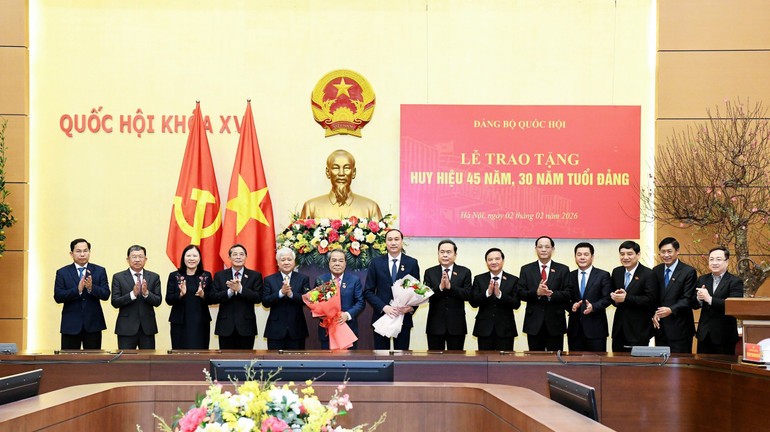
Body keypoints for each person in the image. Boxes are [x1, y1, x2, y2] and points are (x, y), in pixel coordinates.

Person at [364, 229, 420, 350]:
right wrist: (384, 307)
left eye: (396, 239)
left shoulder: (412, 263)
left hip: (403, 318)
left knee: (402, 357)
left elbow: (418, 292)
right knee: (381, 358)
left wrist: (410, 308)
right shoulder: (376, 263)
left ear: (402, 242)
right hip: (382, 317)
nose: (393, 243)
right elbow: (368, 291)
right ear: (385, 243)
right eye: (390, 240)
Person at [53, 238, 111, 350]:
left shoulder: (99, 270)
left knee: (93, 363)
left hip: (93, 324)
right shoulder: (62, 272)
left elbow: (106, 294)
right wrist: (77, 290)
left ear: (89, 252)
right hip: (70, 325)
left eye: (85, 251)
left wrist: (91, 288)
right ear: (71, 253)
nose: (82, 254)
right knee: (69, 362)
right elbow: (58, 296)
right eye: (78, 251)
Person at [517, 236, 572, 351]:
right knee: (535, 360)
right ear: (535, 249)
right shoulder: (526, 269)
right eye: (540, 247)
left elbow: (568, 293)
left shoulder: (563, 269)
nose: (543, 249)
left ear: (553, 249)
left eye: (547, 247)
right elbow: (520, 293)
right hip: (533, 323)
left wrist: (551, 294)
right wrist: (537, 293)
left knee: (556, 360)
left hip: (555, 323)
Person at [299, 149, 382, 220]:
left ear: (353, 173)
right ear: (328, 172)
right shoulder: (311, 207)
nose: (341, 173)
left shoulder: (371, 208)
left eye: (346, 168)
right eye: (336, 168)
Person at [209, 244, 263, 349]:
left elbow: (258, 298)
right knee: (225, 361)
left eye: (241, 254)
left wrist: (241, 289)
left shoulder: (255, 276)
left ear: (246, 257)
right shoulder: (220, 275)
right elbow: (212, 298)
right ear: (229, 258)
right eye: (235, 254)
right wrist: (230, 291)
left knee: (246, 362)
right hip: (225, 327)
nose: (238, 257)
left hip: (246, 327)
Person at [110, 245, 162, 349]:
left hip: (147, 328)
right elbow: (115, 302)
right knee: (126, 362)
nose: (137, 260)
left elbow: (158, 301)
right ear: (127, 259)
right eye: (134, 257)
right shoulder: (118, 277)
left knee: (148, 362)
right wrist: (132, 295)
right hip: (126, 328)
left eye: (140, 257)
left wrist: (146, 293)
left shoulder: (154, 277)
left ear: (145, 259)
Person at [424, 239, 472, 351]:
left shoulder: (464, 272)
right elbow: (426, 296)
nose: (445, 255)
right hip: (435, 325)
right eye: (442, 252)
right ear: (438, 254)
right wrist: (440, 288)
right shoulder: (430, 272)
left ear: (455, 255)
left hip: (457, 326)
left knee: (456, 361)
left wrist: (451, 288)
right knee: (435, 361)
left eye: (449, 252)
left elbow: (468, 295)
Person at [694, 246, 743, 355]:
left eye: (718, 259)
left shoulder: (735, 281)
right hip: (704, 334)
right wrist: (698, 299)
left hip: (724, 335)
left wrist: (709, 299)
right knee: (703, 369)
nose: (714, 262)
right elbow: (694, 305)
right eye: (711, 259)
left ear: (727, 262)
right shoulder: (702, 279)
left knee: (723, 369)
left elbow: (734, 306)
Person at [609, 240, 657, 352]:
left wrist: (627, 298)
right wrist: (615, 299)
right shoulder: (617, 272)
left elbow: (650, 300)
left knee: (637, 366)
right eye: (622, 254)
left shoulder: (648, 274)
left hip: (638, 330)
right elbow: (612, 296)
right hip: (619, 329)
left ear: (638, 255)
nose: (625, 257)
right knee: (616, 365)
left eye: (629, 254)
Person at [469, 248, 520, 351]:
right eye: (490, 259)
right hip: (484, 329)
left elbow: (516, 304)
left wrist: (500, 294)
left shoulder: (513, 279)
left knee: (505, 363)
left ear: (503, 260)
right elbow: (473, 302)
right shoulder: (479, 279)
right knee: (484, 363)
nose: (494, 262)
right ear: (486, 262)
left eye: (497, 259)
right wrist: (487, 293)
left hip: (506, 329)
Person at [651, 237, 697, 353]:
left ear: (677, 251)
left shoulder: (688, 271)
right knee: (662, 366)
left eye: (669, 251)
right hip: (661, 328)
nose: (666, 255)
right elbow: (652, 296)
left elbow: (688, 299)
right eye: (663, 251)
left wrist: (671, 309)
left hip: (680, 328)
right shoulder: (656, 270)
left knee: (680, 367)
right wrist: (654, 313)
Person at [567, 242, 613, 352]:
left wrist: (594, 307)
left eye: (586, 254)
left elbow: (607, 298)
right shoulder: (569, 275)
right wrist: (571, 306)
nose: (582, 257)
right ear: (575, 257)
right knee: (574, 366)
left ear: (592, 257)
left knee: (597, 366)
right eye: (579, 254)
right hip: (575, 331)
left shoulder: (603, 275)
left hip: (596, 330)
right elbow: (565, 297)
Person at [165, 244, 212, 350]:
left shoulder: (206, 275)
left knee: (201, 354)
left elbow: (213, 299)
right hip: (180, 322)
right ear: (183, 258)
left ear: (199, 258)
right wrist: (180, 294)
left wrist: (203, 295)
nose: (191, 258)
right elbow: (168, 299)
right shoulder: (175, 275)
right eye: (188, 255)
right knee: (180, 355)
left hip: (200, 322)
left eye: (195, 256)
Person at [316, 249, 365, 349]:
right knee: (328, 363)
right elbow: (316, 303)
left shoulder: (354, 280)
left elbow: (360, 302)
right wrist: (324, 315)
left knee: (348, 363)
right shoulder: (321, 280)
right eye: (334, 260)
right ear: (329, 263)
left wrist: (347, 315)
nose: (337, 264)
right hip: (327, 330)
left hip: (348, 329)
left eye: (341, 260)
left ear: (345, 263)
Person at [262, 248, 310, 350]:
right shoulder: (269, 279)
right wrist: (281, 293)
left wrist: (291, 294)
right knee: (275, 362)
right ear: (278, 263)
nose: (286, 262)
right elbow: (265, 302)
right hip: (275, 330)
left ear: (294, 261)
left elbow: (307, 300)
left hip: (297, 329)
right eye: (283, 260)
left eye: (289, 259)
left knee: (297, 362)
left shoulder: (303, 278)